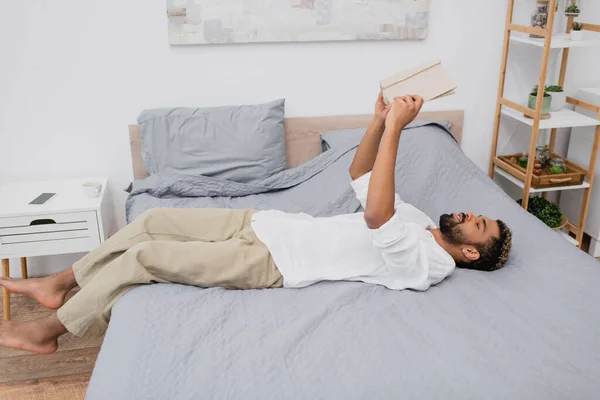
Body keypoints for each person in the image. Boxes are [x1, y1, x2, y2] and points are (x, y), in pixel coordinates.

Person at [0, 94, 512, 355]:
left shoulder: (424, 264)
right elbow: (360, 177)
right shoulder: (423, 224)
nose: (469, 214)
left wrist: (399, 129)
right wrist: (377, 120)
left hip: (270, 262)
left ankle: (48, 332)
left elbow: (377, 214)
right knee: (152, 217)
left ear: (469, 253)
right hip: (267, 222)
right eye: (477, 214)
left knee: (144, 257)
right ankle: (59, 282)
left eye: (478, 225)